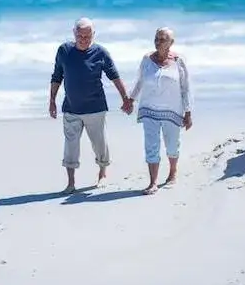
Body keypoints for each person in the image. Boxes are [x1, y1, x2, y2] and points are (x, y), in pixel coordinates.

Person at [49, 17, 131, 194]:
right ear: (74, 33)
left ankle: (102, 173)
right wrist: (52, 101)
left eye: (88, 36)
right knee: (71, 145)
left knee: (99, 144)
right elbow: (56, 76)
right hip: (71, 108)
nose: (84, 40)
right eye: (80, 36)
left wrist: (125, 98)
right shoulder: (64, 51)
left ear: (93, 34)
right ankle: (71, 183)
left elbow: (115, 76)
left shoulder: (100, 52)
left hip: (95, 108)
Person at [123, 26, 193, 195]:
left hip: (172, 110)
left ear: (171, 42)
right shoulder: (147, 59)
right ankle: (153, 182)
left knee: (172, 145)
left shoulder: (178, 61)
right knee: (151, 145)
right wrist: (130, 99)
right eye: (156, 38)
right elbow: (140, 81)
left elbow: (186, 88)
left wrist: (188, 112)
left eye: (162, 39)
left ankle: (172, 172)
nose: (158, 42)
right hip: (149, 109)